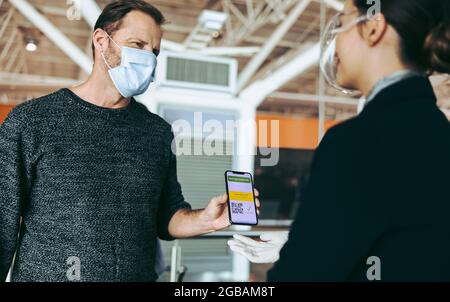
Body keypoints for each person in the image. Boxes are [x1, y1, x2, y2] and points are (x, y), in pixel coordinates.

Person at [0, 0, 259, 282]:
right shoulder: (32, 121)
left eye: (155, 51)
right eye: (138, 44)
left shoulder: (157, 132)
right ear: (101, 41)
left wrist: (207, 220)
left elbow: (167, 216)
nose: (149, 57)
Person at [229, 0, 450, 281]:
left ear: (373, 28)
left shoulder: (357, 140)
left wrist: (303, 248)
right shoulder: (437, 133)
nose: (336, 41)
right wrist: (305, 240)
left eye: (342, 23)